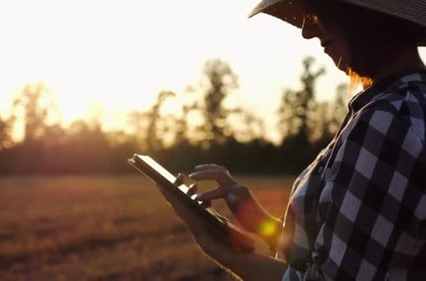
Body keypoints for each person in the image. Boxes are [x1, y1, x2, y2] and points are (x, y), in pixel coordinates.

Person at [158, 0, 426, 280]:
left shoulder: (390, 120)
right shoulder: (402, 107)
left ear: (367, 15)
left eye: (318, 13)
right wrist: (260, 221)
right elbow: (346, 252)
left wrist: (221, 250)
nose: (307, 32)